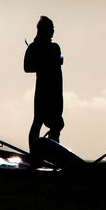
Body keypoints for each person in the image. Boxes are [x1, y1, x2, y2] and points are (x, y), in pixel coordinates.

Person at [25, 16, 64, 147]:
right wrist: (46, 63)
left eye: (53, 29)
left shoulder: (54, 47)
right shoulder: (34, 47)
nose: (53, 31)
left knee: (57, 124)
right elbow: (27, 67)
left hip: (56, 92)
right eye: (51, 29)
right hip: (42, 92)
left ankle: (54, 155)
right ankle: (33, 154)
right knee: (38, 122)